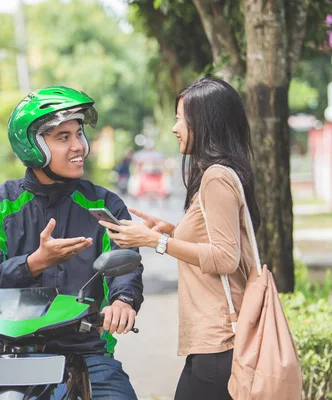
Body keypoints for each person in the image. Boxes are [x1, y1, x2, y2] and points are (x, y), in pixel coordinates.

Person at [0, 86, 144, 399]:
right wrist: (34, 263)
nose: (79, 147)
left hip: (87, 354)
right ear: (33, 147)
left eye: (79, 134)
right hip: (8, 356)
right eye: (64, 137)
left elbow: (124, 260)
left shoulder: (104, 204)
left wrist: (123, 300)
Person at [98, 77, 261, 400]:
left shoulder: (216, 177)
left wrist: (154, 241)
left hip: (220, 340)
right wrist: (171, 230)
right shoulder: (224, 173)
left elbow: (225, 257)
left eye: (180, 118)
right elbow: (219, 240)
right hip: (216, 340)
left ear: (205, 122)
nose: (175, 127)